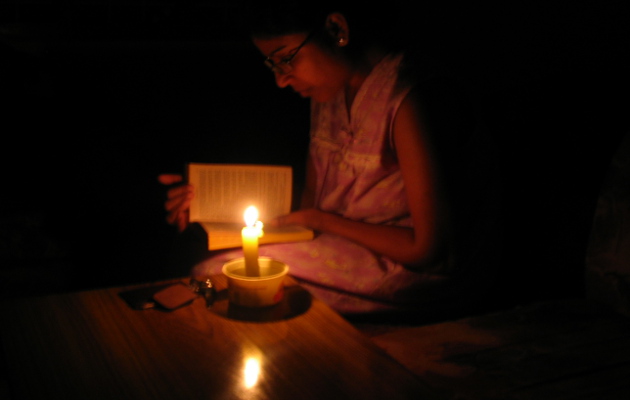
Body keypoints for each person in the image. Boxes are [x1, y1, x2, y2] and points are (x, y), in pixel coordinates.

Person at [159, 2, 496, 318]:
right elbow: (312, 209)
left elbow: (431, 251)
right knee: (211, 260)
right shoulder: (329, 94)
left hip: (404, 270)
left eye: (286, 58)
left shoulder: (407, 99)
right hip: (336, 244)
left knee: (220, 274)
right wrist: (208, 204)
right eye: (273, 65)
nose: (280, 80)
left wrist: (324, 221)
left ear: (336, 29)